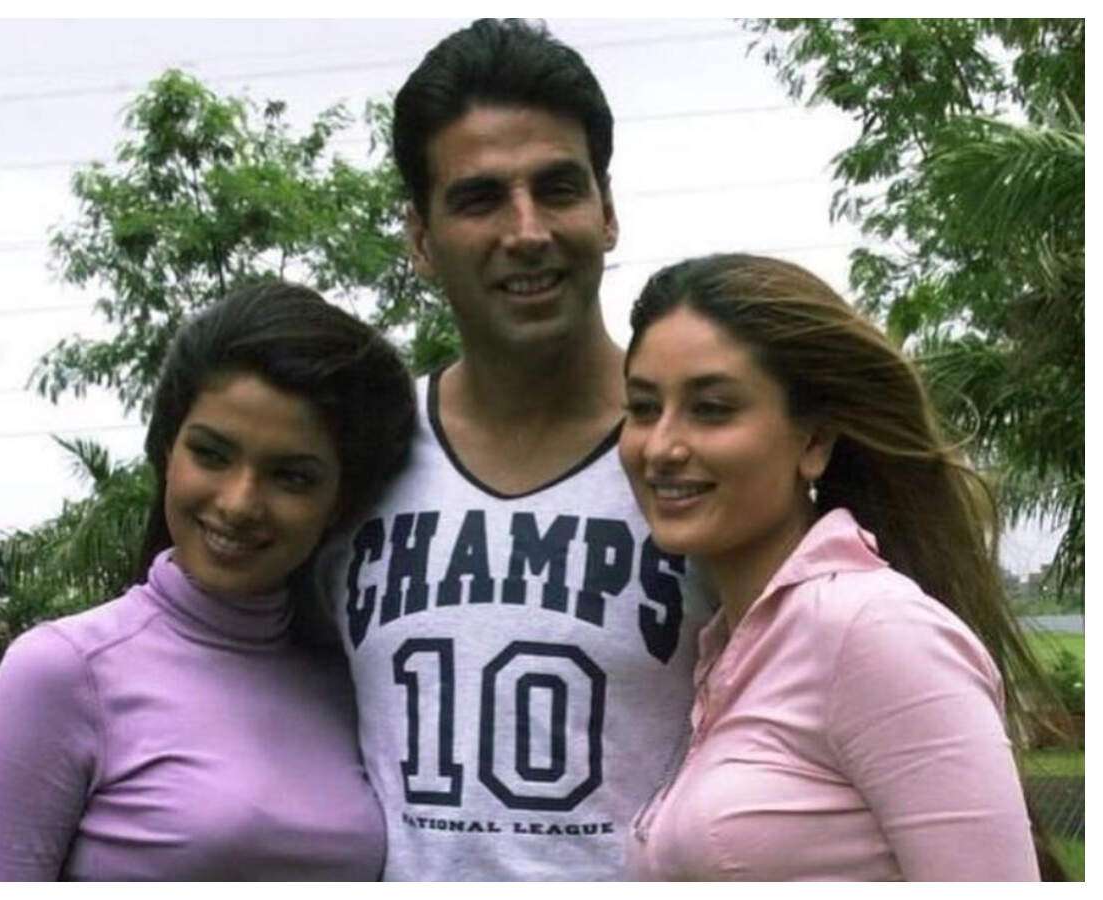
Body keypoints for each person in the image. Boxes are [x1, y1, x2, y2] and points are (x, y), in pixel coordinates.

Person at [311, 18, 704, 881]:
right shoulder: (357, 460)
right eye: (480, 199)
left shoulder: (702, 462)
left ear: (607, 211)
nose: (526, 231)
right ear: (420, 239)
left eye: (557, 188)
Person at [0, 282, 416, 881]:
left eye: (292, 477)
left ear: (340, 501)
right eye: (212, 455)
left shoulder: (351, 679)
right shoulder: (62, 673)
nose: (239, 503)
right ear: (167, 450)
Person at [618, 254, 1052, 881]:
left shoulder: (875, 631)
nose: (661, 447)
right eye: (643, 408)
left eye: (711, 409)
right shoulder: (733, 648)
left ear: (815, 441)